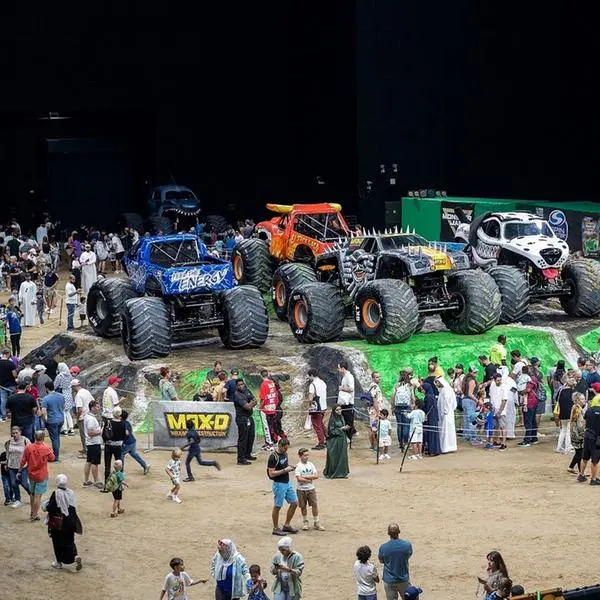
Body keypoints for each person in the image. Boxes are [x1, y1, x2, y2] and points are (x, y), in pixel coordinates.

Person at [42, 474, 83, 571]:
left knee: (58, 542)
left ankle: (58, 562)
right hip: (71, 522)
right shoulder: (71, 493)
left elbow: (51, 508)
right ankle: (74, 556)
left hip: (59, 524)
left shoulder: (56, 493)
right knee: (70, 541)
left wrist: (46, 506)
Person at [20, 430, 55, 521]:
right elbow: (52, 458)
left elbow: (23, 460)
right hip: (42, 475)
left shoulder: (28, 447)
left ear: (35, 437)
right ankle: (34, 515)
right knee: (38, 496)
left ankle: (32, 512)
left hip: (31, 474)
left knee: (32, 493)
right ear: (43, 438)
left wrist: (19, 471)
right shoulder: (46, 448)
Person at [267, 438, 298, 536]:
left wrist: (290, 467)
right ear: (280, 446)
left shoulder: (285, 454)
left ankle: (287, 525)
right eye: (285, 448)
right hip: (279, 484)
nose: (286, 450)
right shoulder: (273, 457)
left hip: (287, 482)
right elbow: (271, 474)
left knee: (294, 503)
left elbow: (284, 465)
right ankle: (275, 528)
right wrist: (285, 470)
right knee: (278, 506)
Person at [378, 523, 413, 599]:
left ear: (388, 533)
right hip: (403, 579)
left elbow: (381, 561)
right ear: (399, 531)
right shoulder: (407, 545)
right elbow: (409, 555)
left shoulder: (383, 547)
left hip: (389, 580)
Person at [294, 447, 325, 531]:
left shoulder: (311, 464)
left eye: (307, 455)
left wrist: (304, 477)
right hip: (301, 489)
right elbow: (299, 479)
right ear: (300, 456)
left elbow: (316, 476)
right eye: (305, 455)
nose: (306, 457)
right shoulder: (298, 466)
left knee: (314, 505)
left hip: (311, 488)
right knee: (303, 506)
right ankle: (305, 522)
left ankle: (316, 522)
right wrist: (309, 479)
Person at [232, 378, 257, 465]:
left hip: (249, 417)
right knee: (243, 438)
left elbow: (255, 400)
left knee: (251, 436)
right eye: (239, 385)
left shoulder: (247, 391)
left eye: (242, 384)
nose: (241, 386)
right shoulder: (237, 395)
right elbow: (247, 407)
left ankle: (247, 454)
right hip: (242, 418)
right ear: (236, 386)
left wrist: (251, 402)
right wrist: (251, 403)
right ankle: (241, 459)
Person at [102, 406, 126, 490]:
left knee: (107, 466)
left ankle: (106, 485)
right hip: (118, 446)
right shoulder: (123, 423)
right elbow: (124, 436)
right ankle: (119, 484)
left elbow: (103, 434)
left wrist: (105, 441)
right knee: (119, 465)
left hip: (108, 446)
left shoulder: (108, 422)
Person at [6, 425, 30, 507]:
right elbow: (7, 454)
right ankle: (17, 499)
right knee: (13, 484)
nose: (15, 434)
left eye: (16, 432)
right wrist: (6, 463)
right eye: (13, 433)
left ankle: (32, 494)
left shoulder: (25, 441)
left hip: (23, 466)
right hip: (11, 466)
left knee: (24, 483)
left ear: (20, 432)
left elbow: (30, 453)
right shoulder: (9, 441)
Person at [323, 404, 350, 479]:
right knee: (335, 456)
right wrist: (341, 429)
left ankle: (342, 472)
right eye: (337, 410)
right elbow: (331, 431)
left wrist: (345, 428)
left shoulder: (341, 417)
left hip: (342, 440)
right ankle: (334, 472)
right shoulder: (332, 419)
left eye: (340, 409)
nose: (339, 411)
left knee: (342, 456)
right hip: (335, 441)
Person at [577, 397, 600, 485]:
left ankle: (581, 475)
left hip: (587, 435)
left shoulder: (589, 410)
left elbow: (584, 424)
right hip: (597, 438)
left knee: (585, 457)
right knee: (595, 459)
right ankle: (593, 479)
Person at [121, 409, 150, 474]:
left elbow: (126, 433)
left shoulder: (122, 423)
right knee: (134, 454)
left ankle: (120, 472)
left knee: (121, 455)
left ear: (120, 417)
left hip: (127, 443)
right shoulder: (127, 422)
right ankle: (145, 465)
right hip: (132, 441)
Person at [82, 399, 103, 488]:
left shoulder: (87, 416)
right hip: (94, 443)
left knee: (89, 462)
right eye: (97, 407)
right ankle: (96, 481)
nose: (99, 408)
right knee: (95, 463)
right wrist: (100, 431)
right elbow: (90, 432)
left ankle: (86, 480)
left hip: (90, 443)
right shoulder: (91, 419)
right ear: (93, 408)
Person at [41, 381, 64, 460]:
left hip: (52, 420)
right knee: (57, 437)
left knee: (54, 439)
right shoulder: (61, 396)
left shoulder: (46, 398)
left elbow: (43, 412)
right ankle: (56, 455)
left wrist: (44, 421)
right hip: (61, 419)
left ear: (46, 388)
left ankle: (55, 457)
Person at [435, 377, 457, 454]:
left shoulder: (446, 389)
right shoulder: (444, 389)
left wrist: (446, 410)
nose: (436, 384)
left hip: (446, 413)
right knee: (446, 430)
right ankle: (446, 447)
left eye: (437, 382)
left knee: (446, 430)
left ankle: (446, 447)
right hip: (446, 413)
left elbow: (448, 401)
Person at [307, 369, 328, 450]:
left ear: (312, 375)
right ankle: (327, 438)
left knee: (317, 425)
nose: (308, 377)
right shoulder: (323, 382)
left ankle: (321, 442)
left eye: (309, 376)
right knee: (320, 423)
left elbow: (310, 397)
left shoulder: (312, 385)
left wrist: (310, 405)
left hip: (316, 408)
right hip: (323, 406)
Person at [392, 371, 413, 450]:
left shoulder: (396, 385)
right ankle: (405, 441)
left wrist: (393, 407)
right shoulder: (409, 386)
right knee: (406, 425)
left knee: (399, 425)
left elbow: (393, 396)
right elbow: (412, 397)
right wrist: (413, 405)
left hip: (398, 407)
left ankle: (400, 442)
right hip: (407, 407)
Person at [73, 379, 94, 456]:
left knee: (83, 434)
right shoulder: (86, 391)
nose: (72, 389)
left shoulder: (78, 395)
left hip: (83, 417)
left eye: (72, 387)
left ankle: (86, 451)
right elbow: (93, 401)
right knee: (88, 433)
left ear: (75, 386)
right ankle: (86, 449)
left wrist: (77, 418)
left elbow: (79, 409)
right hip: (89, 415)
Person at [488, 372, 508, 451]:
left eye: (500, 380)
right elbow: (491, 397)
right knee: (496, 426)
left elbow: (504, 400)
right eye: (497, 380)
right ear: (494, 380)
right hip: (493, 410)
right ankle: (497, 441)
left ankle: (504, 443)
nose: (499, 381)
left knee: (502, 426)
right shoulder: (492, 386)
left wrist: (500, 411)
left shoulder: (504, 387)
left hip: (501, 411)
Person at [554, 378, 574, 454]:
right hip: (570, 414)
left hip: (562, 413)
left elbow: (557, 400)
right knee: (568, 431)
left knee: (563, 430)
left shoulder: (561, 391)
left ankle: (559, 447)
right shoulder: (573, 392)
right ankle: (568, 448)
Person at [568, 392, 586, 475]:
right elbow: (579, 424)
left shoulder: (575, 407)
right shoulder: (577, 409)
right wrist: (584, 431)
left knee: (578, 452)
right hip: (578, 434)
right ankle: (580, 472)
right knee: (580, 453)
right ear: (577, 400)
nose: (584, 400)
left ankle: (571, 467)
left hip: (575, 433)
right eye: (582, 399)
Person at [54, 363, 75, 436]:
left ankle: (64, 429)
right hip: (69, 394)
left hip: (62, 394)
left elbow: (55, 385)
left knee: (62, 412)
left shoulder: (60, 376)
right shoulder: (70, 375)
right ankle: (71, 428)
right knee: (68, 412)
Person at [337, 361, 356, 441]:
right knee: (345, 419)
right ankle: (351, 434)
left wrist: (342, 388)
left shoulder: (349, 377)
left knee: (348, 420)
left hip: (348, 402)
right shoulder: (344, 377)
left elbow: (351, 389)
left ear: (343, 368)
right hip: (344, 402)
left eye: (338, 368)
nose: (337, 370)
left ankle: (349, 437)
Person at [0, 347, 17, 422]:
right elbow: (14, 375)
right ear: (8, 354)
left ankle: (4, 416)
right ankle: (13, 414)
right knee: (12, 400)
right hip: (11, 384)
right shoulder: (10, 363)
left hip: (1, 385)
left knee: (3, 401)